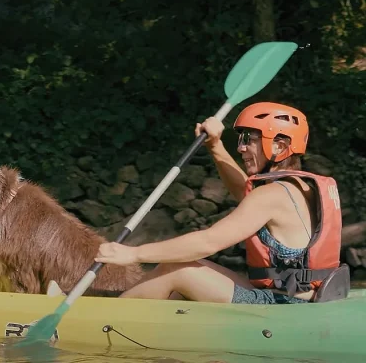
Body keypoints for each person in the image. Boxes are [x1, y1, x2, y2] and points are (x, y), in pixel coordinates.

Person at [95, 102, 345, 304]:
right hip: (300, 296)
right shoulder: (299, 187)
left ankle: (104, 321)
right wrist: (215, 146)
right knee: (184, 270)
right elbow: (246, 192)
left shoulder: (271, 195)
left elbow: (208, 242)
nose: (242, 147)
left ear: (279, 145)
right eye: (241, 139)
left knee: (178, 269)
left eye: (250, 139)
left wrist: (133, 253)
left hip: (283, 306)